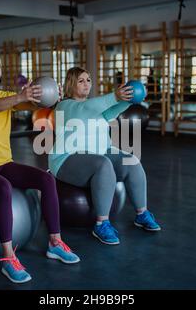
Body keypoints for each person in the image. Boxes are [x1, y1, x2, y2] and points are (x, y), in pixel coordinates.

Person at [0, 51, 80, 284]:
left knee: (47, 180)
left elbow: (29, 102)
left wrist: (45, 95)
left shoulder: (7, 95)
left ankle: (55, 243)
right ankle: (8, 258)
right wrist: (19, 96)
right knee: (3, 187)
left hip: (4, 163)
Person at [48, 67, 161, 246]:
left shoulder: (94, 105)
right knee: (103, 164)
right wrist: (115, 96)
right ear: (71, 84)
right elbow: (84, 108)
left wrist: (130, 100)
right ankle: (101, 224)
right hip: (66, 159)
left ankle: (142, 213)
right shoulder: (65, 106)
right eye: (81, 81)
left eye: (88, 80)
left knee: (131, 161)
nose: (87, 84)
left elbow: (111, 112)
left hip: (99, 152)